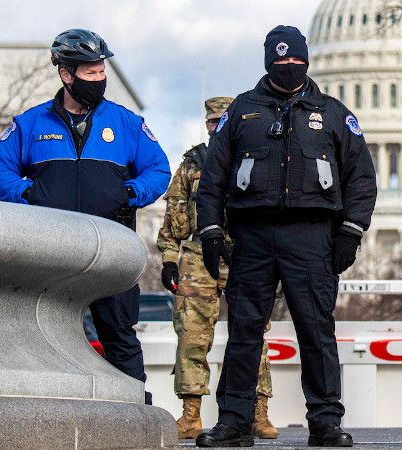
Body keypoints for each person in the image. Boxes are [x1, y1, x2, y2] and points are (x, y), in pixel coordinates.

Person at [194, 25, 377, 448]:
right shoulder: (241, 111)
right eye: (280, 62)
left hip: (312, 236)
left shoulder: (332, 112)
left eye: (295, 61)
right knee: (243, 332)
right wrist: (210, 232)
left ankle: (326, 421)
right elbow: (213, 178)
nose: (288, 67)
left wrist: (351, 231)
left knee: (316, 332)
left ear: (306, 61)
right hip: (252, 235)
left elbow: (361, 178)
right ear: (267, 63)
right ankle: (235, 421)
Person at [0, 29, 170, 404]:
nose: (99, 79)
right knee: (41, 335)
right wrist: (29, 194)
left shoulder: (127, 123)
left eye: (102, 71)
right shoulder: (30, 123)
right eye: (90, 72)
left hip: (111, 250)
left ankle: (134, 411)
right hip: (51, 253)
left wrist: (131, 193)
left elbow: (159, 170)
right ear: (66, 74)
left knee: (119, 335)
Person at [156, 97, 278, 440]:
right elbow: (174, 216)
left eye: (221, 121)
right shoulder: (193, 163)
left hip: (246, 252)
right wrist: (168, 257)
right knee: (192, 336)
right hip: (198, 255)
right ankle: (190, 414)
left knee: (253, 336)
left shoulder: (260, 157)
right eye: (211, 122)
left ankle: (258, 413)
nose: (215, 127)